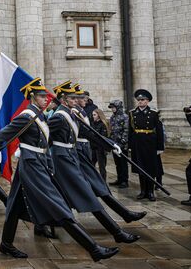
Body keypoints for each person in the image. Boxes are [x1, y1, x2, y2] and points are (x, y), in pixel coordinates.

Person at [0, 77, 119, 261]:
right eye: (42, 96)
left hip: (37, 163)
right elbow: (1, 137)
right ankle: (94, 249)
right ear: (32, 97)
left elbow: (45, 143)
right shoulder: (26, 116)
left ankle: (6, 244)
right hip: (31, 166)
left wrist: (48, 163)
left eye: (46, 96)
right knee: (59, 207)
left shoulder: (39, 115)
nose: (46, 99)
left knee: (15, 206)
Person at [48, 82, 140, 246]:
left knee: (63, 196)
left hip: (71, 157)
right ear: (63, 99)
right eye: (72, 98)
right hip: (62, 160)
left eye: (77, 98)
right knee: (86, 195)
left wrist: (111, 144)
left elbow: (87, 132)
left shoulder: (70, 114)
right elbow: (45, 137)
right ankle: (116, 232)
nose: (76, 100)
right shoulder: (59, 116)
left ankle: (43, 225)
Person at [128, 89, 164, 201]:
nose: (140, 101)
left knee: (151, 168)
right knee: (140, 167)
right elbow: (130, 131)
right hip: (138, 143)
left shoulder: (153, 113)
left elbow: (159, 131)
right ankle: (143, 191)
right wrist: (130, 145)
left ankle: (150, 191)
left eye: (142, 100)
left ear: (147, 101)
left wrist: (160, 147)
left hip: (150, 143)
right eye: (138, 100)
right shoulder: (132, 113)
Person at [108, 100, 130, 188]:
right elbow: (111, 129)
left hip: (122, 144)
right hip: (114, 143)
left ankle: (125, 180)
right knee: (117, 163)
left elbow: (126, 130)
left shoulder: (125, 117)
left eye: (114, 107)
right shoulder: (113, 117)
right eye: (112, 108)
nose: (112, 109)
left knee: (123, 163)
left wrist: (123, 140)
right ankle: (119, 178)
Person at [92, 108, 110, 180]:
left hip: (100, 149)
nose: (93, 116)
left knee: (102, 167)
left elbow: (103, 137)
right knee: (92, 164)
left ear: (99, 115)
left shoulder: (102, 125)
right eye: (93, 115)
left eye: (94, 115)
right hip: (93, 147)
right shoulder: (93, 123)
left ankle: (103, 181)